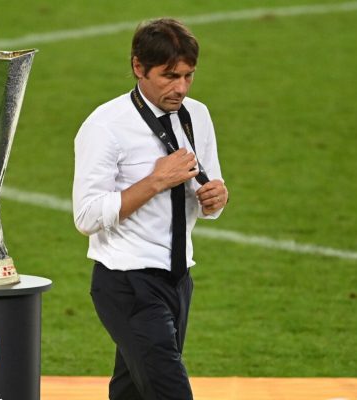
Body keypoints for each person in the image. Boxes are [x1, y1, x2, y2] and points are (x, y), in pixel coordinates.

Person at [72, 18, 229, 400]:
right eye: (169, 76)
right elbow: (87, 216)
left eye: (189, 76)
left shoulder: (197, 115)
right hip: (127, 282)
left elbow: (208, 192)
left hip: (178, 279)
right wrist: (156, 181)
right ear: (138, 67)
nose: (181, 88)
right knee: (169, 391)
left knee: (133, 392)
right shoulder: (105, 126)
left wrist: (215, 199)